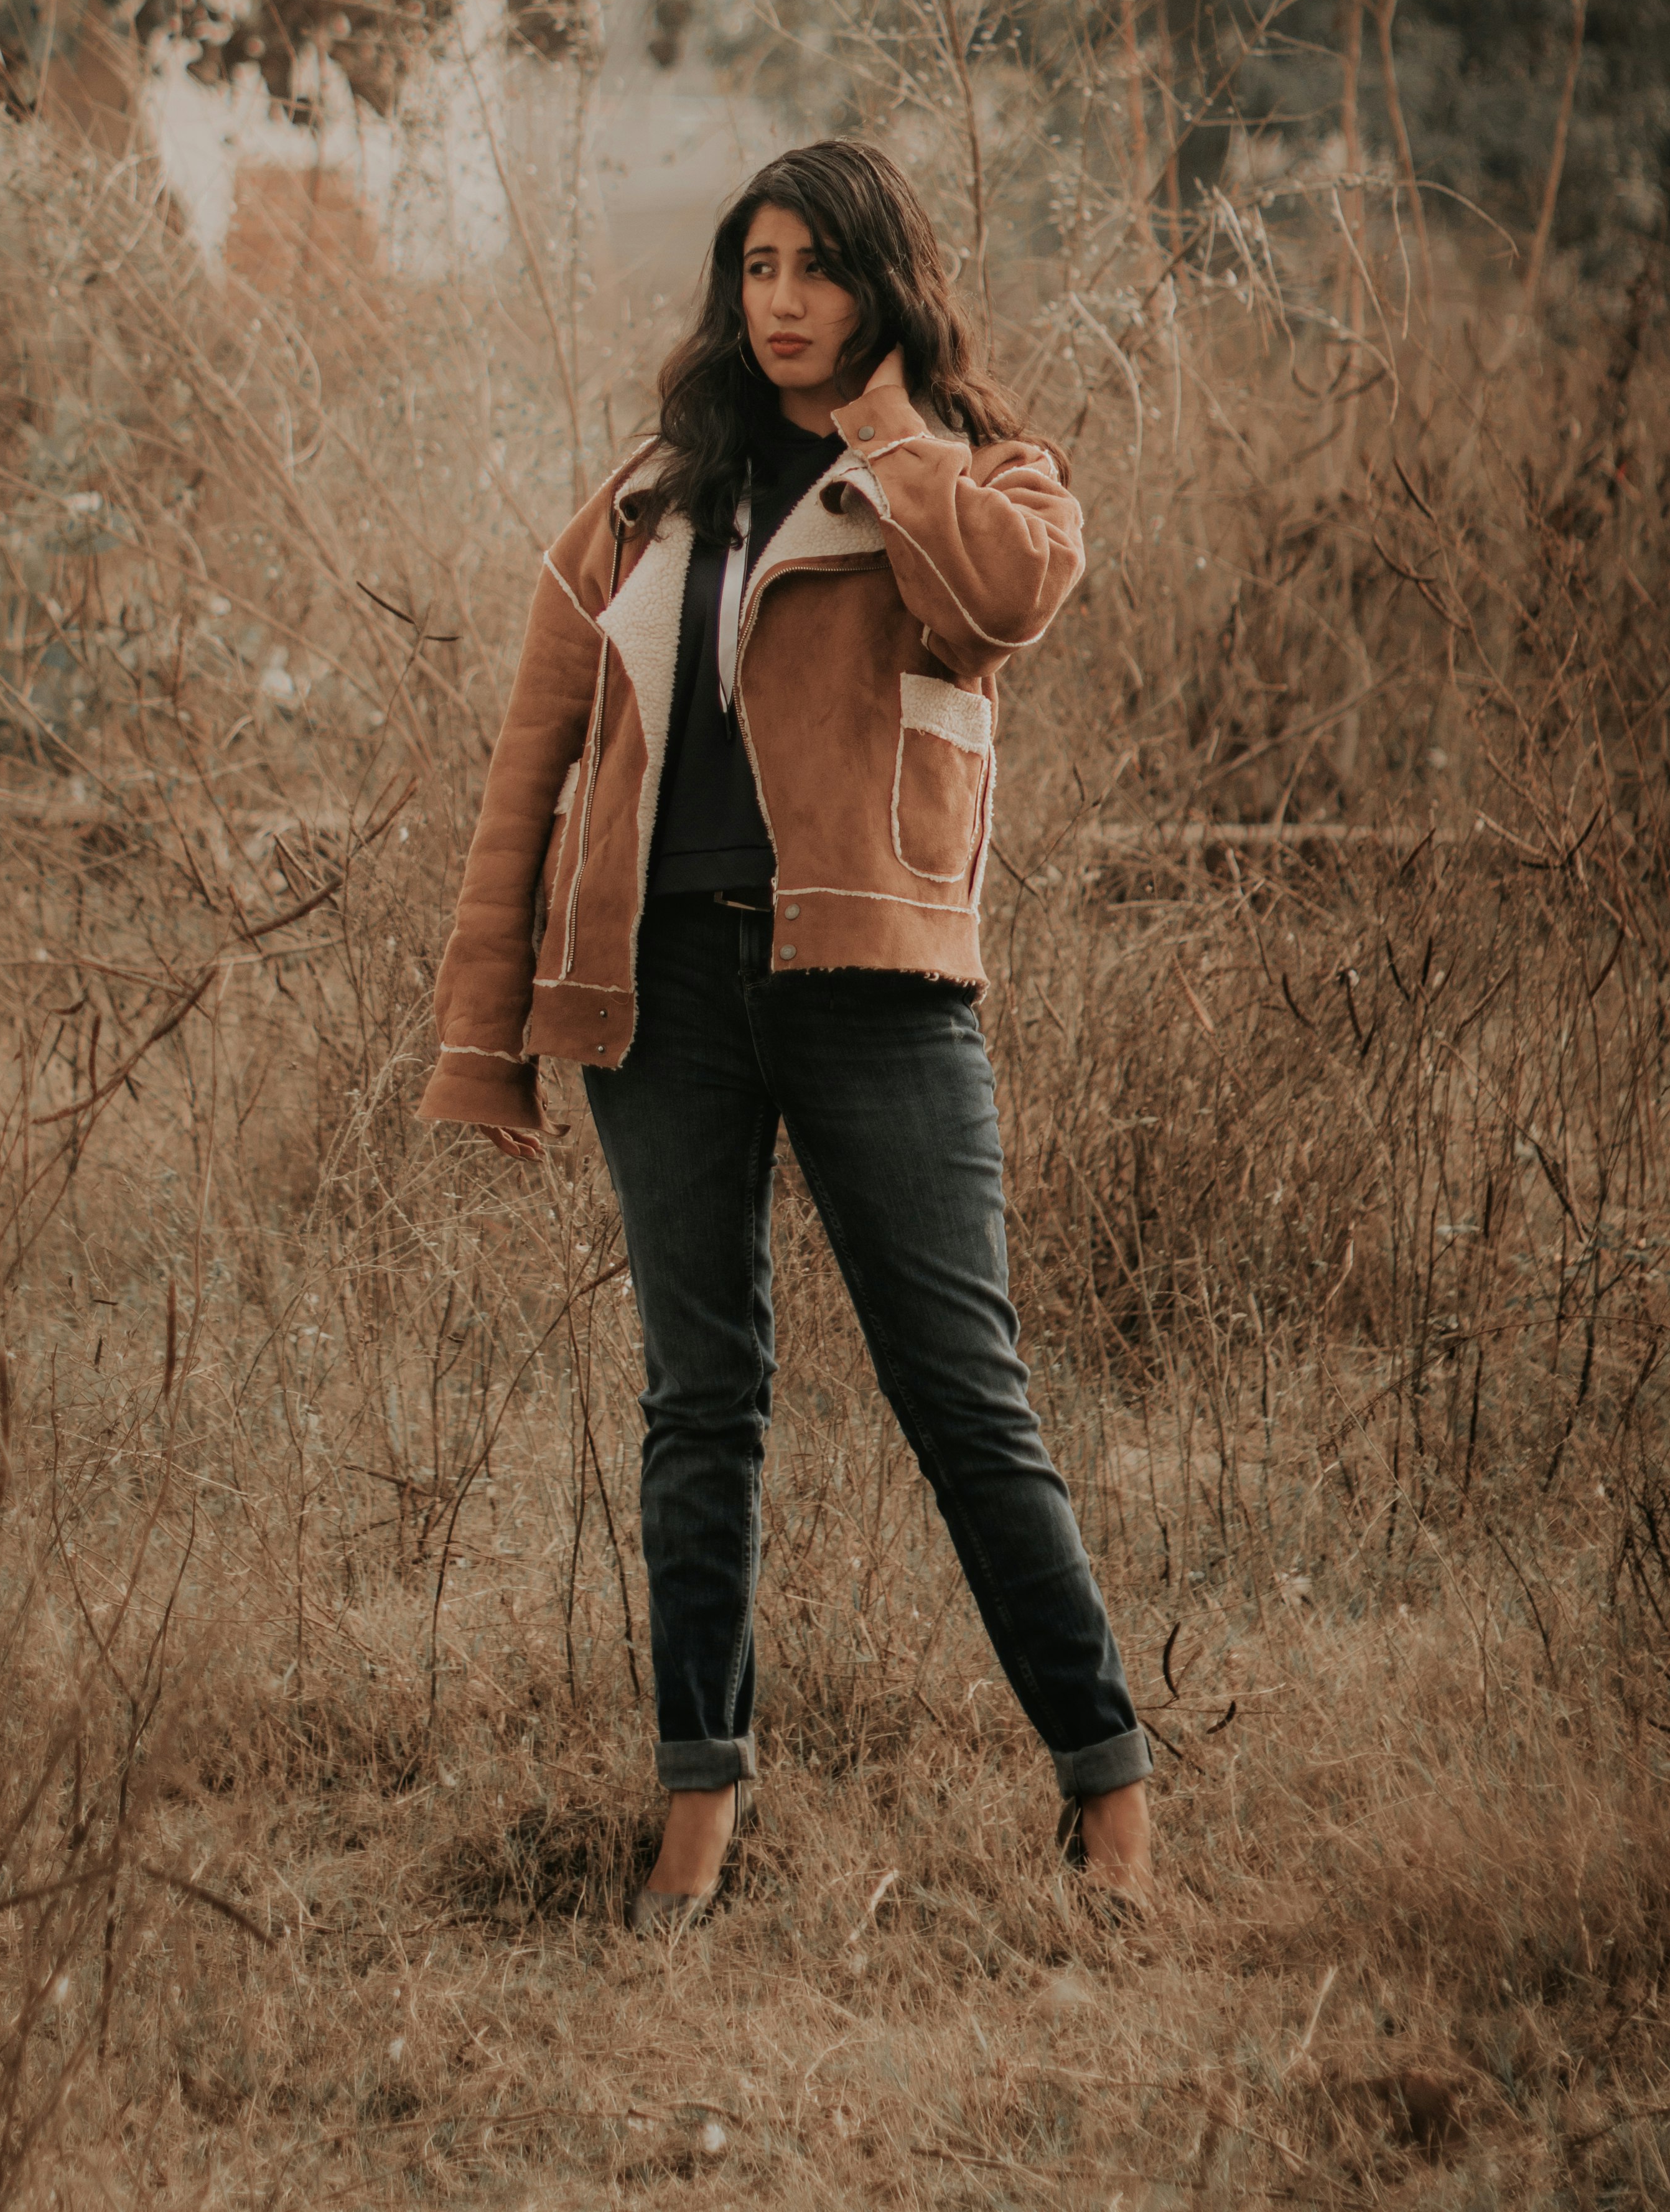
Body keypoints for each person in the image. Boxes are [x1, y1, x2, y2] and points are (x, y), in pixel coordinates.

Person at [418, 140, 1154, 1931]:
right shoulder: (647, 507)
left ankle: (1111, 1790)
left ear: (885, 288)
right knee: (700, 1407)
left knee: (964, 1397)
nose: (782, 302)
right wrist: (481, 1037)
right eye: (756, 266)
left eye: (820, 268)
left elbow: (1003, 603)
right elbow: (531, 774)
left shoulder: (980, 481)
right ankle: (694, 1824)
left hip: (875, 999)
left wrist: (896, 438)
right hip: (659, 1003)